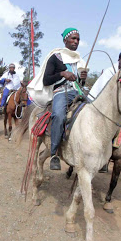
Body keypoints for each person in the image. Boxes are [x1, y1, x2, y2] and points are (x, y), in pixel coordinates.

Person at [28, 27, 87, 170]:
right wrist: (62, 73)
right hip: (62, 92)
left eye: (78, 39)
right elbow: (47, 80)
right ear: (65, 39)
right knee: (59, 116)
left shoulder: (79, 60)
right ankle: (54, 153)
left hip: (78, 91)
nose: (76, 41)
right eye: (73, 38)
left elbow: (80, 83)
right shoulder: (56, 57)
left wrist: (82, 78)